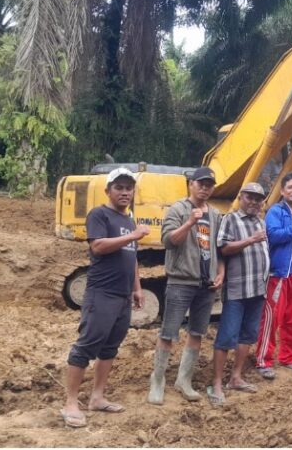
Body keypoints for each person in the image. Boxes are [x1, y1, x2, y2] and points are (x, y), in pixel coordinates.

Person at [61, 168, 149, 428]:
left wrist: (137, 287)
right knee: (87, 345)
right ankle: (70, 402)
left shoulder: (129, 219)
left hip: (123, 296)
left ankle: (97, 397)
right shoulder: (99, 214)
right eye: (119, 187)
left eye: (129, 187)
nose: (125, 192)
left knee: (110, 347)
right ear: (108, 190)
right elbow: (97, 246)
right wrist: (132, 236)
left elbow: (131, 257)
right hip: (102, 294)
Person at [148, 167, 224, 405]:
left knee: (197, 333)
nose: (205, 187)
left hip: (206, 284)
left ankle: (184, 380)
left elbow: (218, 248)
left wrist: (220, 272)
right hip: (181, 281)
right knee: (168, 333)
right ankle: (157, 381)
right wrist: (190, 222)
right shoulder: (178, 210)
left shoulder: (215, 215)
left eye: (209, 184)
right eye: (200, 183)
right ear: (191, 184)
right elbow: (169, 241)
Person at [207, 182, 270, 406]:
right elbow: (223, 248)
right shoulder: (231, 219)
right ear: (241, 197)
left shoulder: (260, 222)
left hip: (258, 289)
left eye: (258, 199)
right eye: (249, 197)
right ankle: (216, 384)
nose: (254, 202)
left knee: (248, 335)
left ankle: (236, 377)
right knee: (226, 336)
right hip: (237, 289)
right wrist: (251, 240)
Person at [255, 172, 292, 379]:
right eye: (290, 187)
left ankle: (289, 357)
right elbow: (273, 236)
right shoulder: (276, 211)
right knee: (272, 318)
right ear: (282, 191)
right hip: (280, 274)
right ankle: (264, 360)